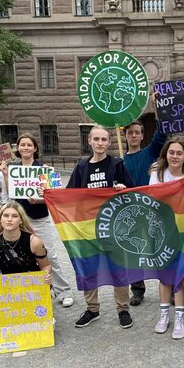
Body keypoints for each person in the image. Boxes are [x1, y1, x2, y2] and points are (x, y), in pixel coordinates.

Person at [66, 126, 135, 330]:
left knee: (118, 269)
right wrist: (48, 194)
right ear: (89, 141)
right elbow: (69, 195)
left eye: (104, 139)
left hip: (114, 227)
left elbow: (132, 192)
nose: (100, 143)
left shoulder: (117, 164)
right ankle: (92, 309)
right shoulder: (81, 167)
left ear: (109, 142)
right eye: (96, 139)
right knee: (88, 268)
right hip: (87, 228)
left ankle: (123, 310)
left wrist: (123, 190)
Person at [2, 133, 74, 308]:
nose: (26, 148)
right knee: (22, 254)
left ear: (35, 148)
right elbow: (11, 192)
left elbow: (54, 194)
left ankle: (63, 291)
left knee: (49, 253)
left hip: (38, 216)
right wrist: (5, 174)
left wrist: (39, 200)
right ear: (17, 149)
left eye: (29, 145)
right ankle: (35, 289)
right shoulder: (13, 168)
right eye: (22, 145)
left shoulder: (44, 168)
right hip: (20, 217)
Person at [148, 138, 184, 340]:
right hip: (161, 231)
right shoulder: (157, 174)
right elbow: (151, 200)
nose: (175, 156)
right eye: (171, 152)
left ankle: (179, 317)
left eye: (179, 153)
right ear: (165, 155)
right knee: (163, 276)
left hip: (183, 232)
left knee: (180, 275)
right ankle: (164, 315)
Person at [123, 111, 168, 307]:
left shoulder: (149, 153)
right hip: (130, 212)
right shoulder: (119, 161)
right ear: (125, 136)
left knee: (158, 247)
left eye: (137, 132)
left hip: (150, 209)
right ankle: (137, 290)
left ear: (142, 135)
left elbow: (161, 135)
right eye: (130, 132)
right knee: (133, 252)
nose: (133, 135)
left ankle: (168, 286)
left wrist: (159, 111)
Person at [0, 201, 52, 283]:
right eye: (5, 216)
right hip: (8, 288)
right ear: (0, 219)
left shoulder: (34, 242)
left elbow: (46, 266)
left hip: (32, 286)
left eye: (14, 216)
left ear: (21, 220)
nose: (9, 219)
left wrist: (45, 275)